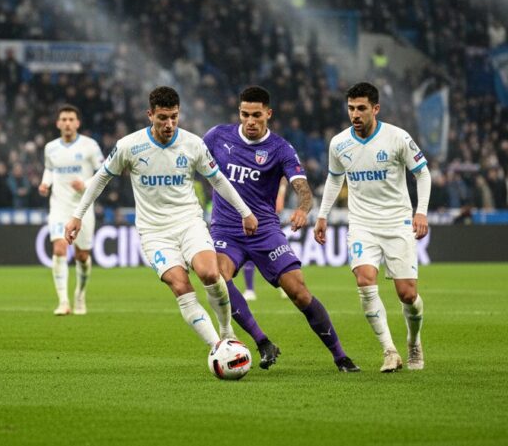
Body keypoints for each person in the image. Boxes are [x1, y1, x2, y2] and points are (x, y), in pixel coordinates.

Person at [65, 86, 257, 348]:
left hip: (189, 223)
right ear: (150, 115)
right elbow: (101, 179)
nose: (169, 124)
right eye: (163, 118)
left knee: (211, 274)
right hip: (154, 232)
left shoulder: (192, 144)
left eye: (174, 117)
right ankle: (218, 347)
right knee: (180, 285)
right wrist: (77, 216)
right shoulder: (129, 146)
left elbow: (218, 180)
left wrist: (245, 212)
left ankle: (227, 333)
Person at [205, 86, 360, 372]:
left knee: (299, 292)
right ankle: (262, 341)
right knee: (217, 277)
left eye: (256, 115)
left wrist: (302, 209)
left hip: (265, 231)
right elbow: (191, 160)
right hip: (226, 230)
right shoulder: (218, 136)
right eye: (244, 114)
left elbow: (303, 189)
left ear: (268, 114)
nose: (250, 121)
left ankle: (340, 356)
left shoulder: (280, 148)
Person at [314, 82, 431, 372]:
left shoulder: (397, 138)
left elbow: (423, 173)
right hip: (362, 224)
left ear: (375, 109)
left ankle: (413, 341)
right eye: (351, 108)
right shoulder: (339, 143)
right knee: (365, 281)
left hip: (397, 223)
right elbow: (333, 179)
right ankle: (389, 351)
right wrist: (322, 215)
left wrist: (421, 213)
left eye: (361, 108)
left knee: (407, 295)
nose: (355, 113)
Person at [39, 105, 105, 315]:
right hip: (59, 206)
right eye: (63, 119)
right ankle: (63, 302)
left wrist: (85, 184)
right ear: (58, 123)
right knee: (59, 249)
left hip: (82, 208)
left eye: (70, 119)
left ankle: (80, 294)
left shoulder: (90, 146)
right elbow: (49, 169)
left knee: (82, 255)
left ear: (77, 123)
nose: (67, 123)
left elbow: (103, 172)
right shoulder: (50, 148)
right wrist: (45, 183)